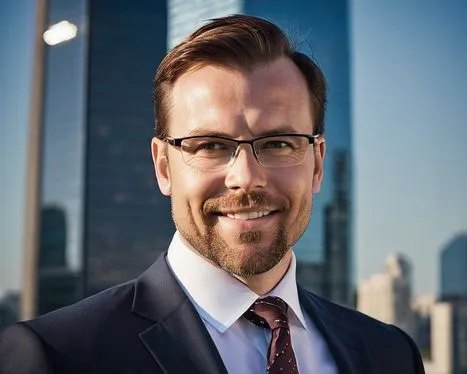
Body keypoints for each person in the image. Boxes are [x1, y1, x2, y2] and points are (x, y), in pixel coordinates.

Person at [0, 14, 424, 374]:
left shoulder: (390, 355)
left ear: (317, 163)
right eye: (210, 146)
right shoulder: (55, 357)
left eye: (278, 143)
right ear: (163, 167)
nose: (246, 178)